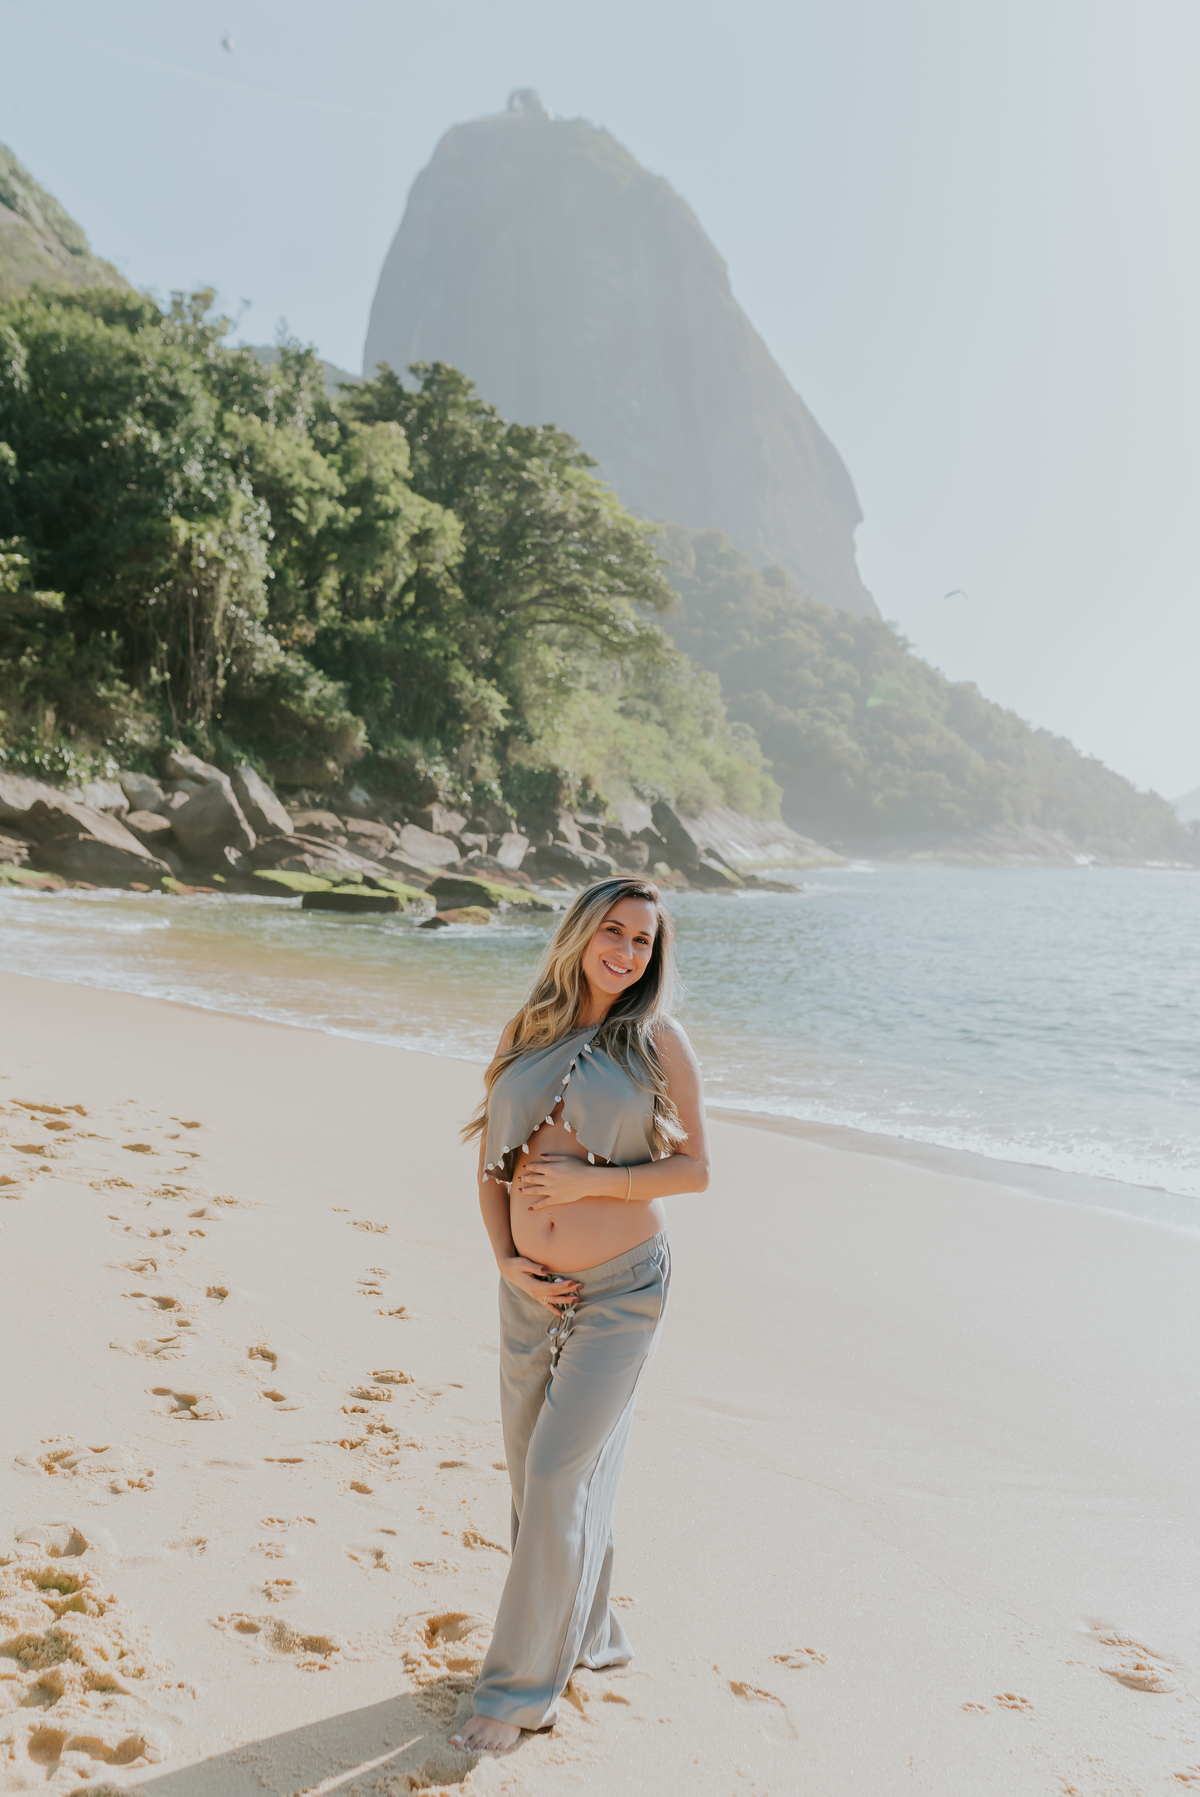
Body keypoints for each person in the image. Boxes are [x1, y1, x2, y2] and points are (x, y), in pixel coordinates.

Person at [450, 875, 710, 1753]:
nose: (627, 952)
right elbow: (493, 1167)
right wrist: (507, 1263)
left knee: (560, 1474)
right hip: (528, 1288)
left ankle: (520, 1689)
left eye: (643, 941)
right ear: (580, 933)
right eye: (615, 931)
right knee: (535, 1481)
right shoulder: (528, 1030)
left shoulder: (659, 1042)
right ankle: (589, 1630)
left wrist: (591, 1181)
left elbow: (695, 1169)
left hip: (624, 1287)